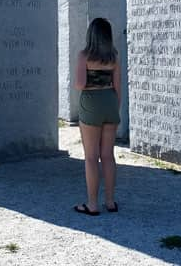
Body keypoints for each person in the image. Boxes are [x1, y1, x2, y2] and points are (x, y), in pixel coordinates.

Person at [72, 17, 121, 216]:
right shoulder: (114, 56)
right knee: (108, 155)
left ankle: (92, 204)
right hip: (110, 101)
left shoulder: (84, 56)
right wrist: (115, 107)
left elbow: (79, 84)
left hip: (91, 102)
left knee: (91, 157)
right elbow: (118, 86)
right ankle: (110, 201)